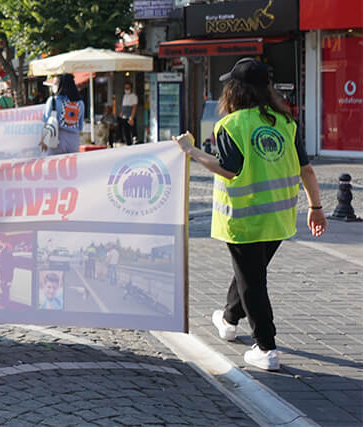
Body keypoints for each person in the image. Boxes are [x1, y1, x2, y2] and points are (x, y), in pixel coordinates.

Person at [173, 57, 326, 371]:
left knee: (253, 281)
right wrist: (316, 208)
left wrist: (191, 152)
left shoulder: (231, 125)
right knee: (249, 274)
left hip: (244, 218)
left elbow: (228, 170)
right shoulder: (286, 123)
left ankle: (266, 347)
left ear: (235, 90)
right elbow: (306, 169)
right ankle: (229, 320)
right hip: (279, 218)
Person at [40, 73, 85, 155]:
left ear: (60, 85)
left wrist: (43, 140)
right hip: (74, 141)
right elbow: (80, 126)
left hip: (56, 138)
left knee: (55, 165)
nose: (53, 86)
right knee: (71, 166)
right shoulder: (80, 103)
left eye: (55, 84)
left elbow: (46, 122)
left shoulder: (53, 101)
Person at [119, 80, 139, 146]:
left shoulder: (134, 96)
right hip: (124, 117)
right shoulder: (124, 96)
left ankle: (134, 144)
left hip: (130, 117)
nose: (126, 90)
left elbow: (134, 107)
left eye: (128, 88)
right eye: (125, 88)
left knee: (133, 132)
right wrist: (121, 113)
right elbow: (123, 106)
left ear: (131, 88)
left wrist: (132, 117)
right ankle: (128, 144)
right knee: (126, 133)